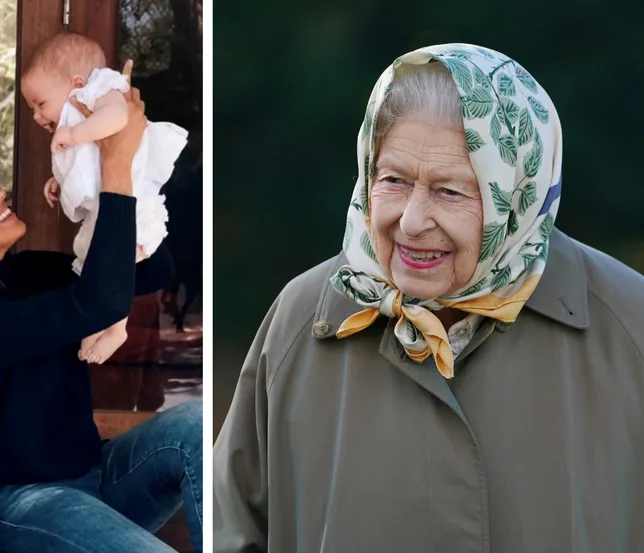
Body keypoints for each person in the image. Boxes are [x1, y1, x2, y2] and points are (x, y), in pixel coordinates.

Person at [213, 43, 644, 552]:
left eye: (450, 191)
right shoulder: (305, 317)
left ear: (519, 190)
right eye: (393, 180)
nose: (412, 222)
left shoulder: (628, 323)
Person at [0, 65, 203, 553]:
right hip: (20, 504)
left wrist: (109, 180)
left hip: (95, 476)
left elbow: (151, 271)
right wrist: (115, 161)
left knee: (195, 426)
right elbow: (98, 303)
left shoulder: (24, 272)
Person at [20, 32, 188, 364]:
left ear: (77, 83)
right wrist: (59, 180)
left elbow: (118, 119)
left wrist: (73, 133)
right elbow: (89, 163)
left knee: (115, 262)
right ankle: (98, 322)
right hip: (109, 203)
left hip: (135, 202)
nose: (38, 116)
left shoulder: (102, 90)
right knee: (92, 259)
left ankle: (116, 328)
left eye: (40, 104)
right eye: (31, 109)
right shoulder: (79, 114)